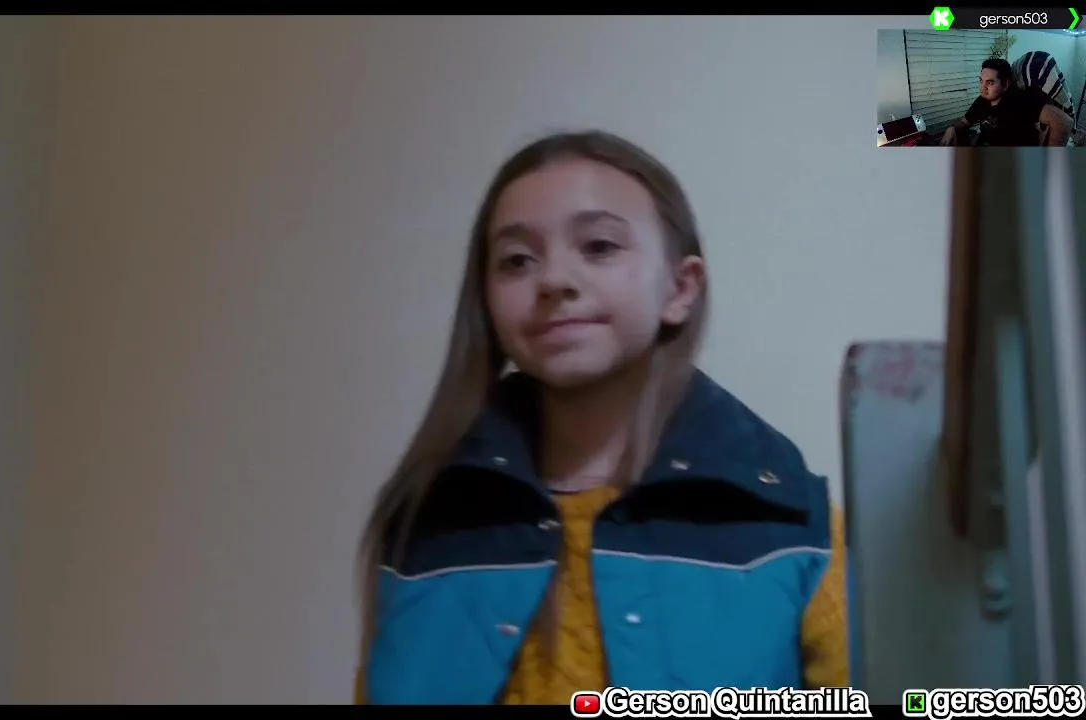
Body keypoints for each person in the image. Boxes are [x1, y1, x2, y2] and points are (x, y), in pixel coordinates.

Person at [352, 130, 848, 705]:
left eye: (599, 247)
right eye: (517, 260)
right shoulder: (426, 520)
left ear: (680, 288)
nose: (554, 280)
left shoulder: (794, 526)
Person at [941, 58, 1072, 147]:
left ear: (1005, 84)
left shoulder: (1020, 100)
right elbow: (963, 122)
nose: (983, 88)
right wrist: (951, 129)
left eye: (990, 83)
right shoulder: (982, 101)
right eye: (981, 81)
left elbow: (1064, 122)